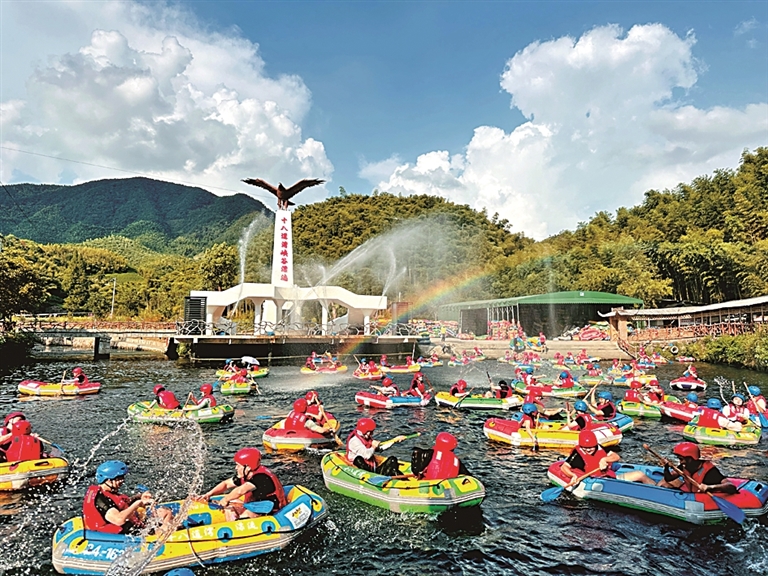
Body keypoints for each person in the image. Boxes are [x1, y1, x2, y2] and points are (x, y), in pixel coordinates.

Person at [83, 460, 173, 534]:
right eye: (120, 478)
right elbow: (118, 520)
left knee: (165, 512)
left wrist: (138, 497)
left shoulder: (107, 492)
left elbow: (120, 505)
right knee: (170, 523)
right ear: (109, 480)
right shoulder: (101, 500)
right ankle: (166, 537)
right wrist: (137, 504)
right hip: (125, 532)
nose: (122, 481)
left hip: (130, 524)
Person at [197, 448, 287, 522]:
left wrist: (226, 499)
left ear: (247, 467)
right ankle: (233, 523)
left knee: (247, 513)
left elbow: (241, 490)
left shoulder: (261, 478)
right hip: (255, 505)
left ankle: (237, 530)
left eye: (238, 465)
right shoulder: (247, 474)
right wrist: (209, 494)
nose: (236, 468)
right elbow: (226, 484)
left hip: (270, 510)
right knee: (230, 507)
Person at [560, 430, 656, 486]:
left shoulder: (599, 447)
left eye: (591, 447)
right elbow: (564, 467)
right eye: (585, 448)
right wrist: (572, 476)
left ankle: (659, 489)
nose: (588, 450)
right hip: (597, 482)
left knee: (639, 474)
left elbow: (616, 456)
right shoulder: (578, 454)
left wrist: (605, 459)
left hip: (610, 477)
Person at [655, 442, 737, 494]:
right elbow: (669, 478)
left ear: (690, 459)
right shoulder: (684, 466)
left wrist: (710, 488)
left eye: (681, 459)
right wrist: (666, 467)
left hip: (704, 498)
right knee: (663, 484)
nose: (680, 462)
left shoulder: (710, 471)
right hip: (692, 493)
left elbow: (731, 487)